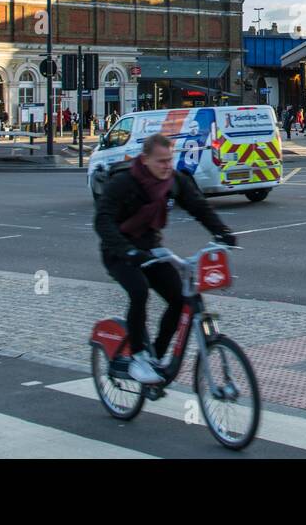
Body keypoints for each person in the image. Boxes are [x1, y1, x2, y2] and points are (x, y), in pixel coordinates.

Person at [93, 133, 238, 384]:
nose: (166, 166)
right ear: (145, 159)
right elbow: (103, 221)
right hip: (118, 251)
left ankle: (156, 355)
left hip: (152, 250)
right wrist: (127, 251)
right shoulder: (124, 183)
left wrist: (222, 232)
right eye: (160, 161)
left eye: (169, 160)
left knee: (181, 299)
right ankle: (138, 356)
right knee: (139, 292)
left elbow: (198, 206)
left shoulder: (173, 181)